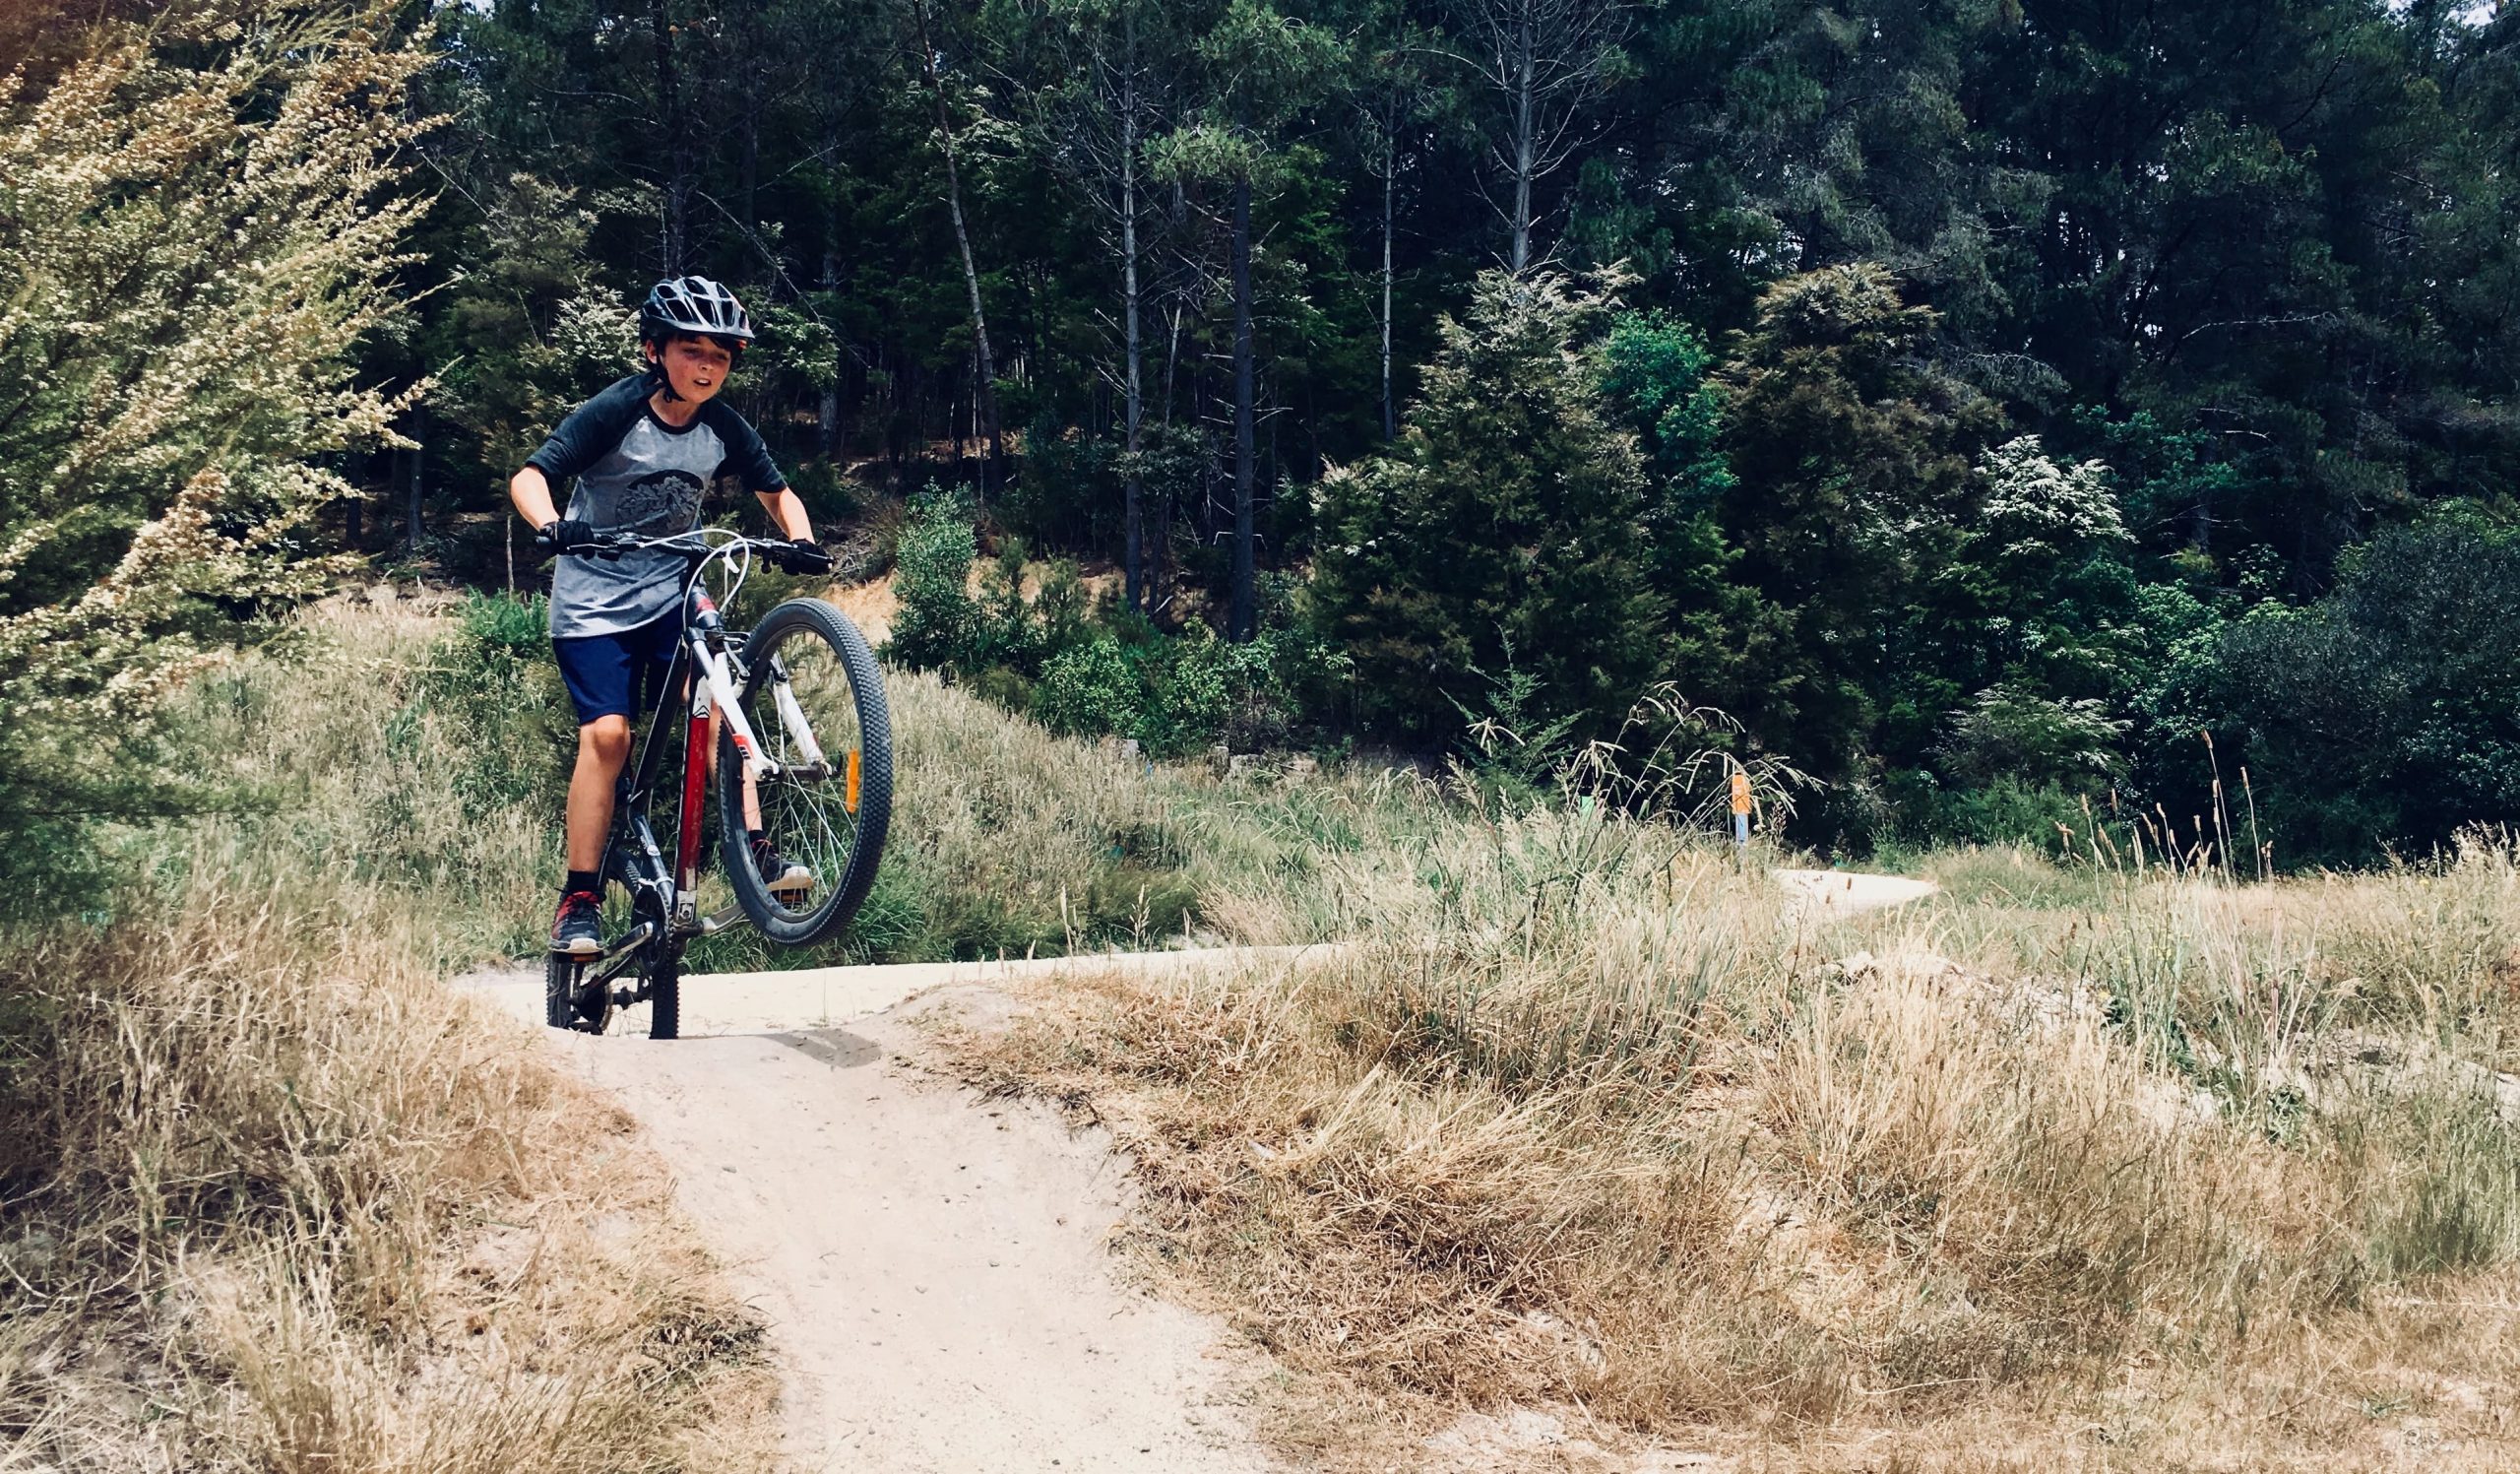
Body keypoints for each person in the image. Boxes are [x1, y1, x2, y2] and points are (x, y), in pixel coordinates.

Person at [509, 276, 834, 957]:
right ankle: (580, 899)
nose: (708, 366)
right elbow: (531, 476)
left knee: (716, 712)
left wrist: (800, 541)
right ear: (655, 351)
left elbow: (777, 493)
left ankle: (758, 854)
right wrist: (551, 526)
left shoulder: (723, 427)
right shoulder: (619, 409)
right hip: (594, 602)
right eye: (692, 351)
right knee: (607, 738)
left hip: (669, 594)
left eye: (720, 355)